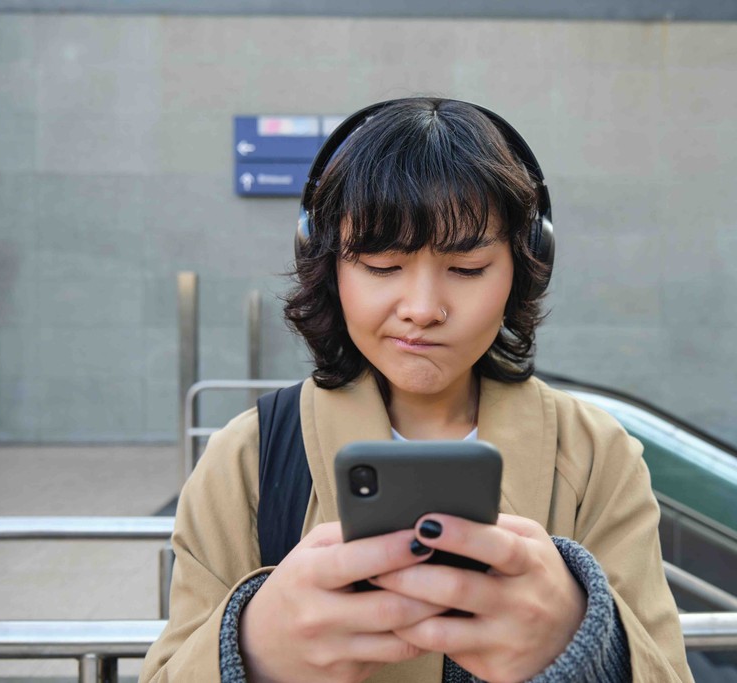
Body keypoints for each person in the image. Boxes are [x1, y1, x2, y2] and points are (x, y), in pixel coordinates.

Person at [140, 97, 693, 683]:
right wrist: (253, 650)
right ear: (327, 265)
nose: (423, 310)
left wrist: (582, 643)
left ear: (525, 265)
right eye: (382, 266)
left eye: (468, 268)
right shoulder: (248, 458)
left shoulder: (596, 455)